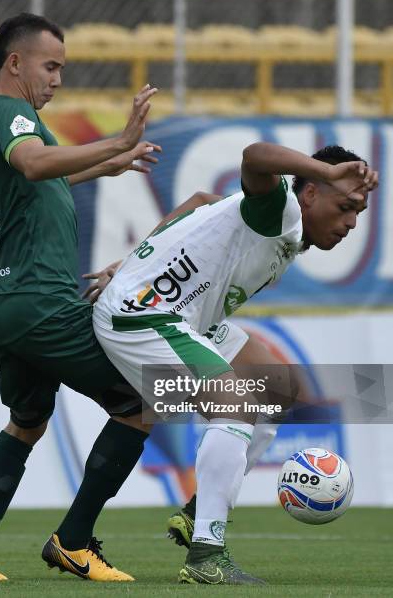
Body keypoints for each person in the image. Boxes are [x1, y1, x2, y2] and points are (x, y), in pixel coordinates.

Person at [91, 141, 378, 584]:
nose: (351, 224)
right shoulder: (280, 209)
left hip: (185, 315)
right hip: (144, 315)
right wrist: (324, 169)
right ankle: (207, 556)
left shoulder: (285, 224)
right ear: (311, 193)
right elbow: (254, 155)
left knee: (279, 387)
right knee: (237, 403)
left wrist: (131, 263)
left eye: (358, 212)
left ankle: (195, 513)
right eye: (344, 206)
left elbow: (202, 202)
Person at [0, 12, 162, 582]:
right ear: (15, 63)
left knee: (27, 422)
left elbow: (37, 182)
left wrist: (106, 164)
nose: (58, 79)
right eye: (52, 65)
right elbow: (33, 162)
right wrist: (115, 139)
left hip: (5, 302)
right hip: (40, 300)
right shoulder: (11, 112)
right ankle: (72, 542)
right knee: (140, 402)